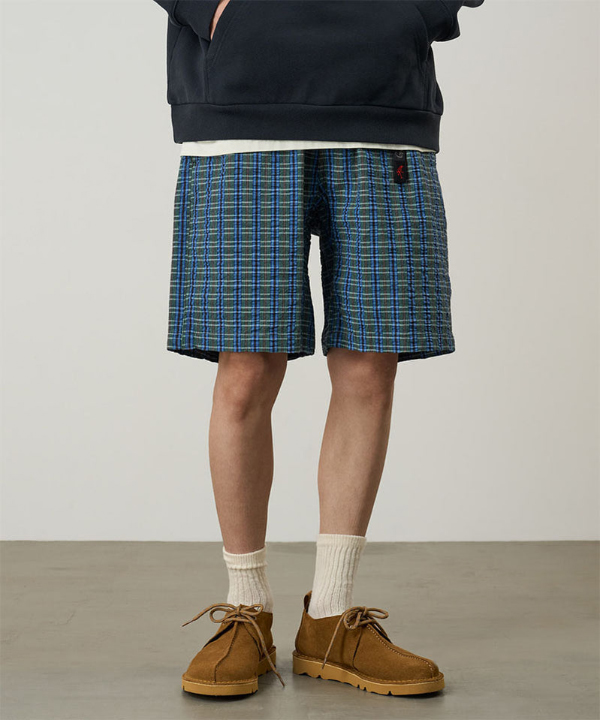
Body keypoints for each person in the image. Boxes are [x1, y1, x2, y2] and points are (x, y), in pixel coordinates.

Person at [152, 0, 484, 698]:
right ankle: (245, 607)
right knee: (245, 367)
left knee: (370, 364)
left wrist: (411, 12)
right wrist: (213, 10)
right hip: (240, 112)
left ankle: (332, 618)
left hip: (381, 104)